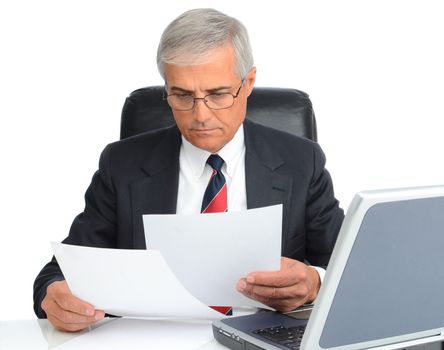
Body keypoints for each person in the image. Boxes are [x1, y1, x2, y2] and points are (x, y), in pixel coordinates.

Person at [33, 8, 344, 332]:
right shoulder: (122, 165)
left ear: (248, 82)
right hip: (154, 339)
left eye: (218, 94)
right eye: (182, 95)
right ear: (166, 89)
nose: (200, 115)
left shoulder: (300, 162)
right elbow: (59, 273)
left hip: (263, 336)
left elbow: (351, 267)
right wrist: (53, 295)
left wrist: (314, 282)